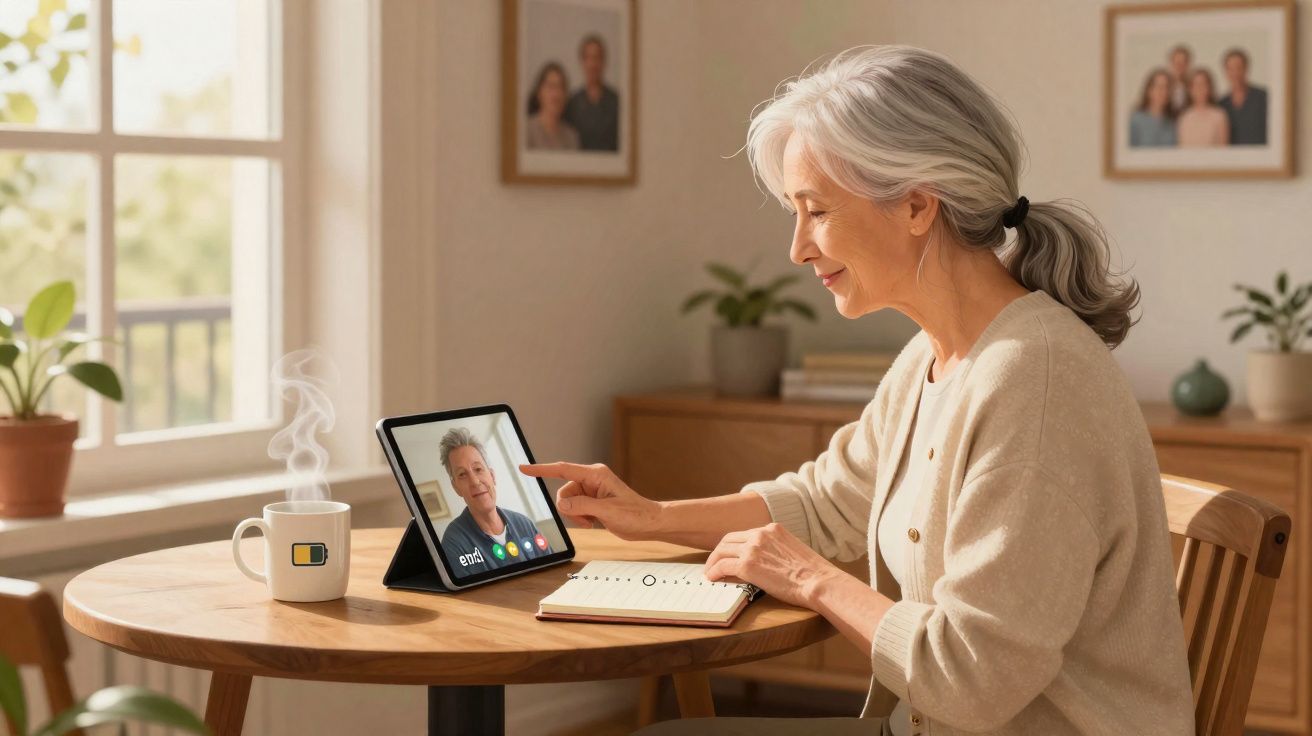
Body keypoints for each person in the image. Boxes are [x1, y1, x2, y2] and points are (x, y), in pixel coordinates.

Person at [522, 45, 1194, 736]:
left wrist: (808, 577)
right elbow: (829, 500)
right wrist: (654, 516)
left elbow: (969, 680)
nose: (798, 248)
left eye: (815, 210)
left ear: (915, 206)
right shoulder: (933, 356)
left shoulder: (1034, 383)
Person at [437, 427, 551, 573]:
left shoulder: (524, 524)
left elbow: (551, 568)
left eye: (478, 469)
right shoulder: (454, 543)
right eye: (462, 475)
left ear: (492, 476)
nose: (475, 482)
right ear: (456, 488)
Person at [562, 34, 620, 151]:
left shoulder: (617, 101)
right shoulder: (572, 102)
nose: (593, 64)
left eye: (597, 58)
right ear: (582, 62)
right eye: (588, 58)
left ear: (604, 62)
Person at [525, 62, 580, 150]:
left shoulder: (571, 137)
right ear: (539, 93)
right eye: (550, 87)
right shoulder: (526, 130)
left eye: (561, 87)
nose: (556, 94)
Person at [1218, 48, 1268, 145]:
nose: (1235, 73)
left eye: (1239, 67)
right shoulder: (1221, 104)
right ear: (1225, 72)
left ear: (1247, 68)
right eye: (1231, 69)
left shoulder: (1263, 98)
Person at [1177, 68, 1229, 147]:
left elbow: (1224, 149)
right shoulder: (1184, 117)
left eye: (1203, 84)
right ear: (1190, 89)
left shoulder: (1219, 116)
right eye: (1196, 85)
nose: (1200, 89)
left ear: (1210, 88)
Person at [1129, 67, 1177, 147]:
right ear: (1149, 90)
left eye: (1167, 87)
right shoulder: (1135, 120)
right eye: (1159, 87)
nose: (1164, 92)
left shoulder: (1172, 121)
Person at [1166, 44, 1193, 115]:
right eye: (1177, 63)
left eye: (1183, 63)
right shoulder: (1163, 89)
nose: (1179, 67)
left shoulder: (1193, 88)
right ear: (1170, 64)